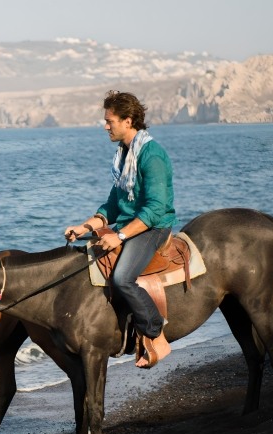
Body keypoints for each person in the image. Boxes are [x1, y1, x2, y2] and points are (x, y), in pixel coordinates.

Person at [64, 90, 177, 367]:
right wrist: (85, 226)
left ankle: (154, 333)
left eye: (110, 121)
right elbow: (114, 205)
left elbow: (154, 209)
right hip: (131, 224)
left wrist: (120, 236)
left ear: (128, 121)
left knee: (122, 278)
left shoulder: (152, 155)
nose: (105, 126)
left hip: (153, 227)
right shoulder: (124, 155)